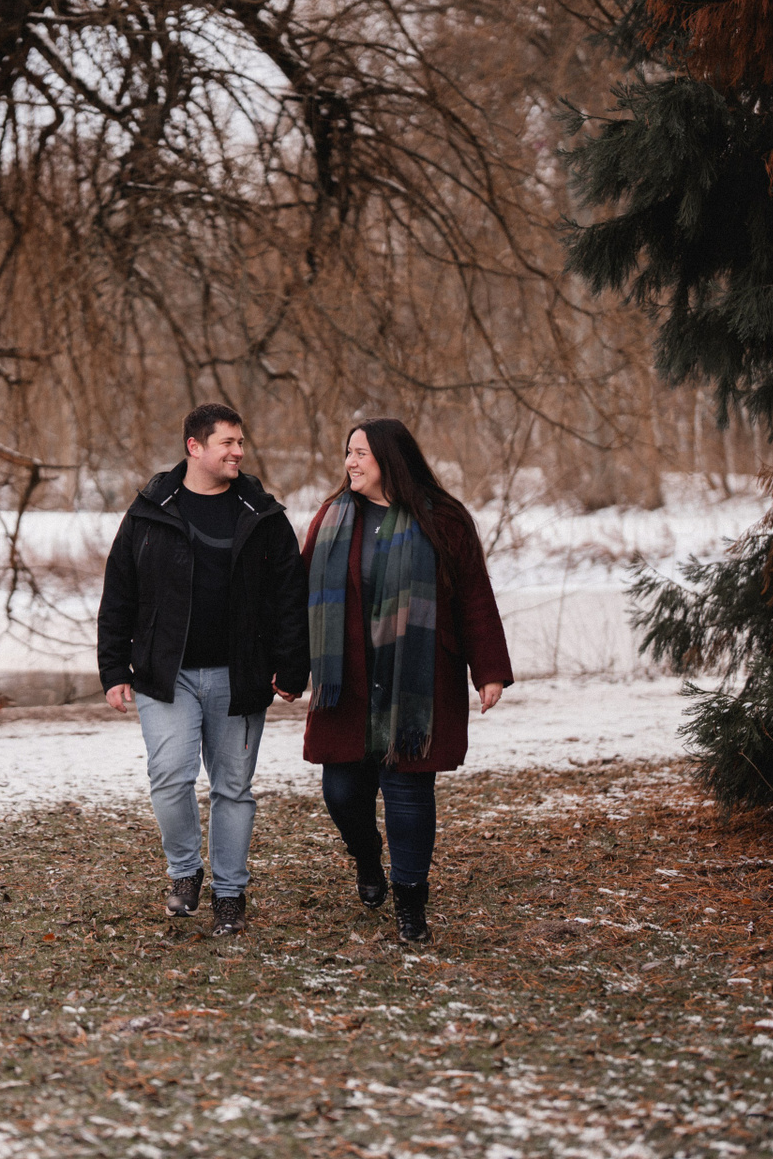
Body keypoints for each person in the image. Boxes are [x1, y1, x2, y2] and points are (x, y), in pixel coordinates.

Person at [98, 403, 309, 936]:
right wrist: (113, 668)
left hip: (240, 676)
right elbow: (120, 591)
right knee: (170, 778)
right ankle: (186, 871)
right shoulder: (150, 510)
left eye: (241, 442)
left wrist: (292, 664)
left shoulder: (262, 513)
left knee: (233, 788)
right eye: (227, 443)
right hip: (165, 675)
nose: (239, 452)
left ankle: (230, 896)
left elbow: (290, 595)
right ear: (194, 446)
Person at [302, 418, 513, 943]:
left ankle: (411, 906)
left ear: (390, 459)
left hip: (417, 679)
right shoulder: (332, 518)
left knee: (408, 792)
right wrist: (287, 667)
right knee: (341, 791)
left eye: (360, 453)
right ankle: (367, 857)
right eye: (348, 452)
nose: (350, 463)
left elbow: (473, 595)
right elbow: (299, 597)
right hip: (348, 680)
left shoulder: (443, 519)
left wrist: (488, 670)